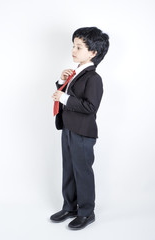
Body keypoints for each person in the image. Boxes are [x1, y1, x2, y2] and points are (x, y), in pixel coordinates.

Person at [51, 27, 109, 230]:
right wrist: (61, 82)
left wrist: (65, 97)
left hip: (83, 133)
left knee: (82, 171)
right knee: (68, 169)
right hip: (68, 128)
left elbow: (90, 107)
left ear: (93, 52)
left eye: (79, 47)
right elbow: (65, 96)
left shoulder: (94, 78)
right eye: (73, 46)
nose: (73, 50)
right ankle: (69, 206)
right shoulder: (75, 74)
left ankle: (86, 212)